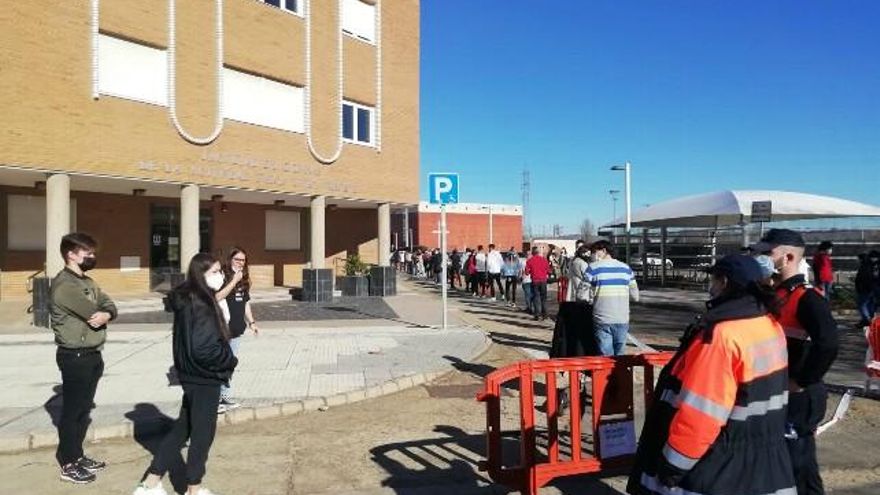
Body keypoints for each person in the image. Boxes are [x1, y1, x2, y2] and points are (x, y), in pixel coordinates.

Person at [627, 255, 795, 495]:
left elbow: (701, 414)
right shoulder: (769, 324)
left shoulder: (721, 336)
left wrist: (672, 465)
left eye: (713, 280)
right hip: (763, 460)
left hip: (718, 467)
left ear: (724, 282)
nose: (711, 286)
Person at [134, 253, 238, 495]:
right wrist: (230, 360)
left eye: (219, 271)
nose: (219, 276)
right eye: (213, 272)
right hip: (204, 376)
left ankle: (151, 481)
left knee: (183, 428)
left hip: (191, 375)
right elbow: (204, 348)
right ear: (200, 275)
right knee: (202, 434)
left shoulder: (188, 298)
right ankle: (193, 487)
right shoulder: (200, 303)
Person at [753, 228, 839, 495]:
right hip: (776, 391)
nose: (762, 258)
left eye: (768, 253)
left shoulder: (807, 298)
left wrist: (801, 381)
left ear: (788, 257)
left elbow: (828, 344)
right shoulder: (775, 294)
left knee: (799, 466)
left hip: (798, 397)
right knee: (778, 463)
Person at [50, 233, 117, 484]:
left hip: (92, 354)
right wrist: (102, 313)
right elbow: (91, 312)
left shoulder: (87, 281)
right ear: (71, 254)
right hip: (74, 356)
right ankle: (68, 463)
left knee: (83, 410)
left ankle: (77, 456)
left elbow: (109, 305)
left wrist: (107, 314)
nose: (92, 256)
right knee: (72, 412)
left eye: (92, 252)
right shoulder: (65, 286)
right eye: (86, 252)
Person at [214, 247, 259, 414]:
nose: (241, 263)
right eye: (237, 259)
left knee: (230, 364)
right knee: (221, 364)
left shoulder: (244, 279)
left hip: (237, 328)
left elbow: (246, 302)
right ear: (230, 259)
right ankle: (215, 398)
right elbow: (217, 296)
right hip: (222, 328)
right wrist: (233, 280)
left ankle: (224, 396)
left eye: (243, 260)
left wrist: (252, 322)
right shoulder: (223, 277)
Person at [585, 240, 639, 356]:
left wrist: (591, 299)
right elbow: (635, 296)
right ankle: (619, 374)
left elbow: (581, 295)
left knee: (606, 356)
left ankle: (608, 374)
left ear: (604, 251)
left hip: (602, 318)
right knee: (620, 355)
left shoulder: (592, 268)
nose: (593, 255)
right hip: (622, 317)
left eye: (594, 252)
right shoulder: (626, 268)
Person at [524, 246, 551, 320]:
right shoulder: (544, 260)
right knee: (544, 298)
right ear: (538, 252)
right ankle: (545, 314)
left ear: (532, 253)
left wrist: (531, 271)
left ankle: (537, 314)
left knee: (536, 297)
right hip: (543, 281)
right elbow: (549, 271)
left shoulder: (529, 261)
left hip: (535, 281)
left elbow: (526, 272)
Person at [855, 253, 875, 326]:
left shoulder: (864, 267)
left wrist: (860, 288)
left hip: (864, 289)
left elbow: (862, 279)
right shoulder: (869, 266)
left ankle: (866, 319)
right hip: (869, 289)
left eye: (858, 259)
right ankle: (867, 319)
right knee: (869, 305)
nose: (857, 260)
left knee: (862, 305)